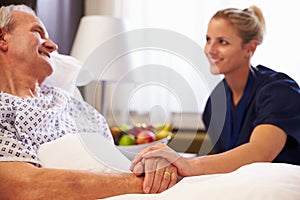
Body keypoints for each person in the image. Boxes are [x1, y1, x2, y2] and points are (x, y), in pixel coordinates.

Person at [0, 4, 177, 199]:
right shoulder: (4, 108)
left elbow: (116, 162)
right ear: (2, 38)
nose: (53, 46)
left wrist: (155, 167)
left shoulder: (79, 108)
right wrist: (144, 184)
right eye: (38, 32)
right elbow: (25, 187)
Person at [130, 5, 300, 188]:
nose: (210, 49)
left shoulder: (279, 90)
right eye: (208, 39)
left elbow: (260, 153)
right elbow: (225, 163)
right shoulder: (215, 102)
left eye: (223, 42)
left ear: (250, 49)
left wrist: (188, 164)